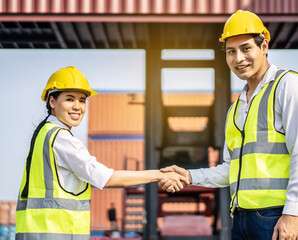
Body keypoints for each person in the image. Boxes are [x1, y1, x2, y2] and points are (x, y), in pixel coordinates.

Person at [159, 10, 298, 240]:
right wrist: (189, 177)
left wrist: (292, 213)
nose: (238, 58)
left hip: (277, 217)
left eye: (246, 48)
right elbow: (231, 169)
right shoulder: (236, 108)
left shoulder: (287, 85)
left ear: (264, 47)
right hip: (241, 219)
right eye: (231, 52)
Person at [15, 66, 188, 240]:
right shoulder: (61, 138)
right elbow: (105, 178)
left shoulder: (44, 133)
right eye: (69, 99)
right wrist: (158, 174)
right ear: (52, 102)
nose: (77, 107)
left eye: (82, 100)